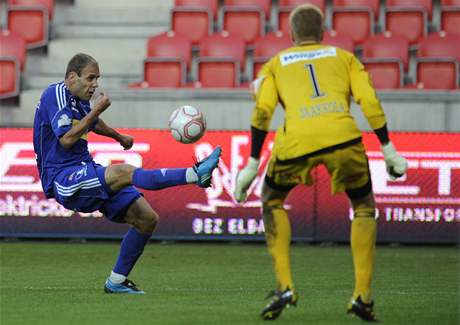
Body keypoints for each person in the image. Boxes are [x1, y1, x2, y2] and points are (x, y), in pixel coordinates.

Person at [234, 4, 407, 322]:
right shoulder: (345, 58)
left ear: (291, 34)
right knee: (364, 205)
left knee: (271, 200)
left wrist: (252, 163)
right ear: (323, 33)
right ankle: (363, 297)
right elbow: (369, 100)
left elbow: (262, 112)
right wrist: (388, 148)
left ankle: (285, 286)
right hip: (344, 138)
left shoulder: (274, 65)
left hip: (296, 142)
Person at [33, 52, 221, 294]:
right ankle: (195, 175)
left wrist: (118, 136)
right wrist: (97, 110)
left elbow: (92, 124)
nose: (95, 84)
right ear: (72, 77)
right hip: (61, 177)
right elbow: (67, 138)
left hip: (84, 168)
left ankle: (117, 281)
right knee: (124, 171)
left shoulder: (78, 99)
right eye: (90, 78)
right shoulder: (56, 94)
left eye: (97, 79)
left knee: (146, 218)